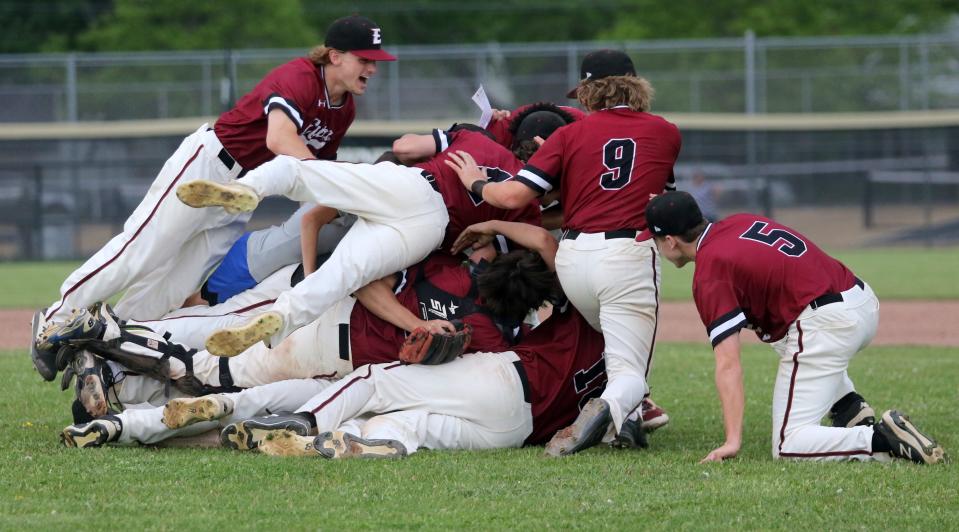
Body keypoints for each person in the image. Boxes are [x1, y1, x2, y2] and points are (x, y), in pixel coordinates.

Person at [32, 15, 396, 382]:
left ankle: (107, 351)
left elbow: (317, 173)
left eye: (374, 61)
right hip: (209, 166)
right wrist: (336, 182)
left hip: (240, 197)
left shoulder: (344, 109)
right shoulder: (301, 77)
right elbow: (280, 140)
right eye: (364, 59)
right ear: (334, 56)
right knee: (141, 253)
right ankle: (54, 320)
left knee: (174, 285)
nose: (372, 68)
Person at [174, 108, 572, 357]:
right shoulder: (530, 211)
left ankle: (248, 189)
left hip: (417, 190)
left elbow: (405, 148)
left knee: (306, 174)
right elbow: (540, 237)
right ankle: (280, 318)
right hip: (428, 234)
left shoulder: (479, 143)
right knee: (345, 275)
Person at [444, 49, 681, 454]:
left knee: (608, 342)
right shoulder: (665, 131)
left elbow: (516, 194)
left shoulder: (567, 136)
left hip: (572, 261)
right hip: (626, 253)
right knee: (631, 367)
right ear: (636, 85)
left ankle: (630, 418)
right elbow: (654, 201)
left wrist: (475, 184)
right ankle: (607, 408)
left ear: (591, 91)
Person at [644, 191, 945, 465]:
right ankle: (849, 408)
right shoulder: (738, 222)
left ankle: (882, 439)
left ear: (670, 240)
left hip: (828, 323)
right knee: (782, 335)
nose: (659, 247)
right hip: (860, 300)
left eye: (657, 241)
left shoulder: (711, 271)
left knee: (789, 445)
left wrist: (732, 441)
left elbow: (728, 364)